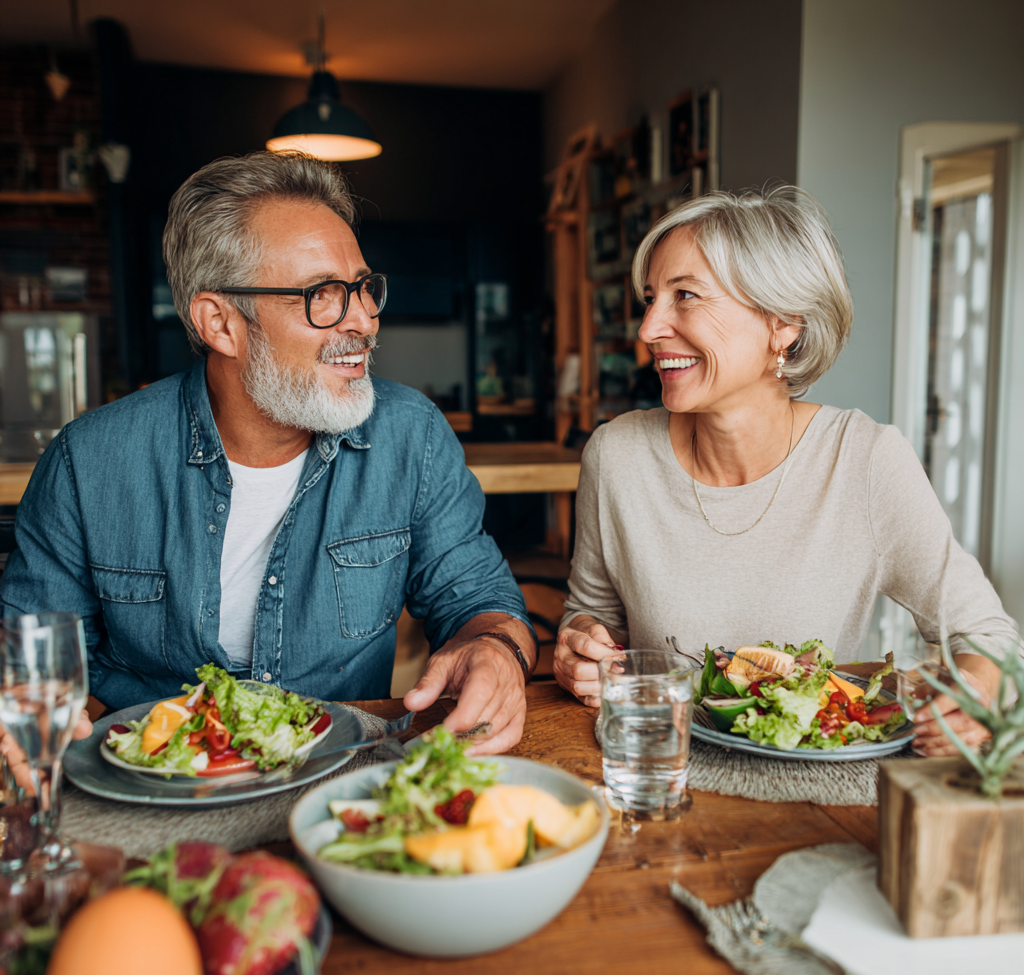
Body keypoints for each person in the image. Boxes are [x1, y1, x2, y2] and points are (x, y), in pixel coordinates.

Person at [0, 152, 535, 756]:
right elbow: (27, 653)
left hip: (340, 780)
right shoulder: (88, 463)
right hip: (155, 788)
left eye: (362, 288)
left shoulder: (411, 436)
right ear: (221, 324)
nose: (364, 319)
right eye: (323, 295)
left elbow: (480, 600)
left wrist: (497, 650)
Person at [553, 186, 1018, 757]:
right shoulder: (617, 456)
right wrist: (580, 648)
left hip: (821, 793)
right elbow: (591, 615)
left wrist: (974, 690)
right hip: (660, 774)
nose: (649, 329)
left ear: (784, 324)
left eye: (686, 296)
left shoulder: (865, 461)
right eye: (652, 298)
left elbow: (989, 639)